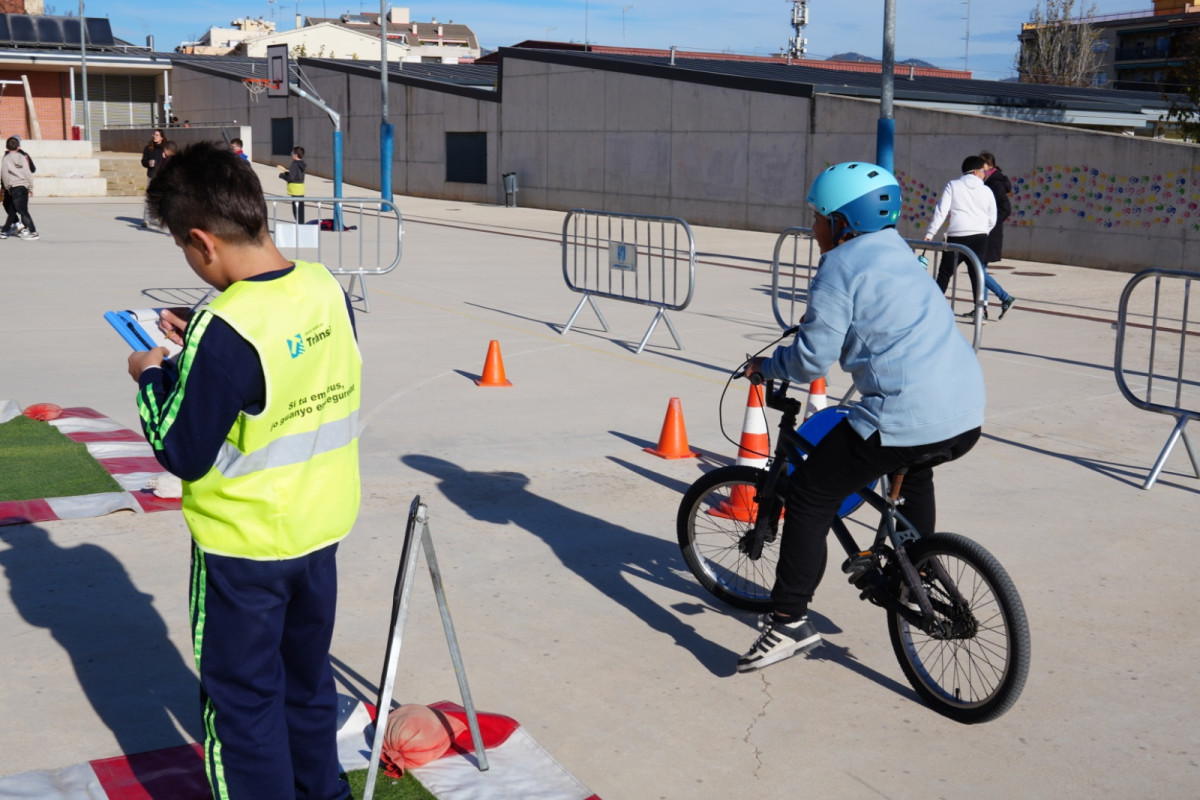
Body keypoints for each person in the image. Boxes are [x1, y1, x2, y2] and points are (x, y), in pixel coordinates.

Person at [126, 141, 361, 799]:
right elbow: (286, 372)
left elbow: (181, 449)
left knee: (243, 703)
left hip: (245, 547)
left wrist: (152, 376)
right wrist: (197, 343)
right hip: (319, 531)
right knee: (307, 682)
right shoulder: (326, 290)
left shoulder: (225, 327)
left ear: (201, 242)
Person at [740, 162, 985, 673]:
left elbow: (811, 360)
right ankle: (908, 568)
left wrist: (768, 365)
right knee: (916, 467)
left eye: (819, 216)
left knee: (808, 495)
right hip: (964, 408)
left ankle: (786, 622)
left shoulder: (839, 266)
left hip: (903, 410)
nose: (813, 228)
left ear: (843, 223)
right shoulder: (903, 251)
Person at [923, 155, 996, 318]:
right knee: (976, 273)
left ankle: (933, 308)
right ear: (976, 171)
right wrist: (984, 230)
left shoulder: (953, 185)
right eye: (984, 170)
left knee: (945, 273)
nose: (986, 174)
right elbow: (993, 217)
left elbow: (941, 210)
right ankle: (980, 311)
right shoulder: (986, 190)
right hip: (979, 236)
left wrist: (930, 233)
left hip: (957, 234)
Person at [979, 151, 1017, 319]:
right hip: (986, 231)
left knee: (977, 269)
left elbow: (1006, 209)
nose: (979, 169)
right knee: (981, 268)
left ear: (990, 166)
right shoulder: (988, 181)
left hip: (990, 233)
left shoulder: (995, 183)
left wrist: (990, 223)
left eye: (982, 165)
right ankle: (982, 308)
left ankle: (1004, 297)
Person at [1, 136, 38, 240]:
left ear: (6, 146)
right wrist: (30, 187)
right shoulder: (23, 157)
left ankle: (33, 232)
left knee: (22, 211)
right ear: (18, 147)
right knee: (15, 209)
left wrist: (6, 186)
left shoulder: (6, 158)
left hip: (14, 187)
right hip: (24, 186)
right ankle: (5, 231)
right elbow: (28, 172)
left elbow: (4, 174)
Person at [140, 129, 166, 228]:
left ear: (161, 137)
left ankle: (160, 219)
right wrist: (148, 163)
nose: (154, 136)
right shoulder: (148, 148)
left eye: (157, 135)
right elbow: (143, 161)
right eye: (154, 134)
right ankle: (146, 220)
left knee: (162, 200)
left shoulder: (165, 148)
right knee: (149, 198)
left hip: (162, 178)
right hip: (151, 176)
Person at [280, 145, 307, 223]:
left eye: (292, 153)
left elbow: (291, 178)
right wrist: (287, 173)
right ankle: (302, 225)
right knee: (301, 211)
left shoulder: (294, 164)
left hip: (294, 190)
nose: (291, 154)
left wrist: (282, 176)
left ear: (295, 154)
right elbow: (296, 175)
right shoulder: (302, 164)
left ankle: (299, 227)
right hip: (301, 190)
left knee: (296, 211)